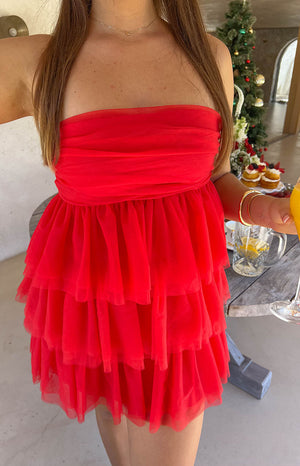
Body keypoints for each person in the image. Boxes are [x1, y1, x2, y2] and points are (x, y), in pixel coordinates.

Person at [1, 1, 297, 465]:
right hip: (91, 293)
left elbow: (215, 176)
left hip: (176, 301)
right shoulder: (36, 60)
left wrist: (262, 209)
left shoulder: (209, 55)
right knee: (113, 413)